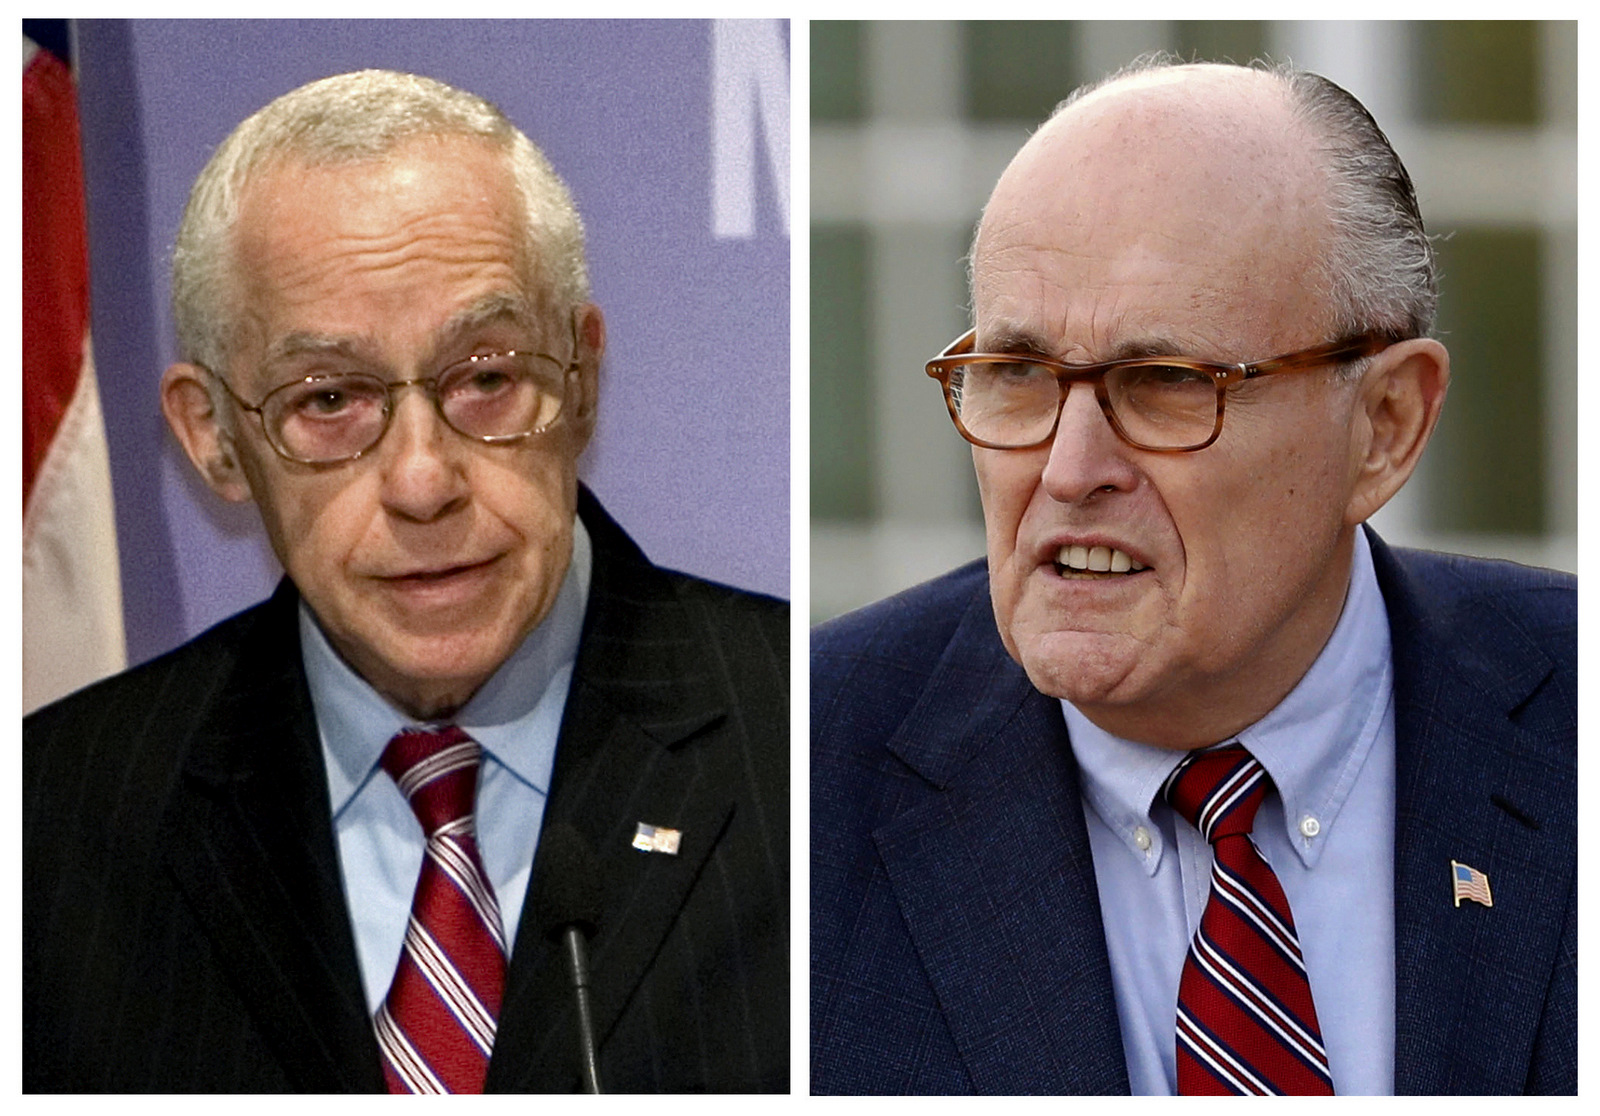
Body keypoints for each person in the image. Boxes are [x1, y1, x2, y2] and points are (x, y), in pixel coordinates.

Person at [811, 57, 1574, 1096]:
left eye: (1166, 383)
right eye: (1019, 375)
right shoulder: (802, 773)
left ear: (1385, 427)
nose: (1070, 471)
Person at [25, 69, 787, 1093]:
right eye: (329, 397)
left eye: (485, 377)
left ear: (583, 376)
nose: (424, 482)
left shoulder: (813, 743)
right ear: (213, 436)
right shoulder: (47, 829)